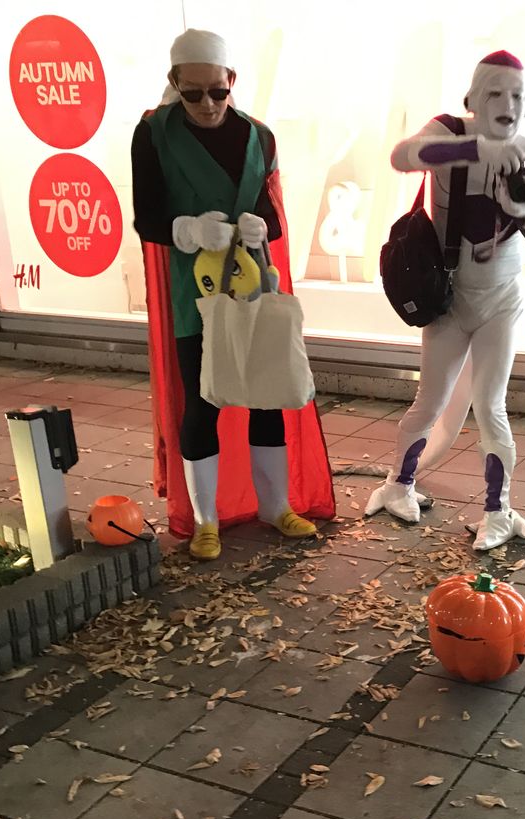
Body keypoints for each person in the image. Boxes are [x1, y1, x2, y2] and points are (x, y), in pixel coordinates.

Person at [132, 29, 334, 560]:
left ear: (231, 82)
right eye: (193, 93)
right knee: (202, 404)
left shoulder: (259, 136)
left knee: (268, 395)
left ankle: (275, 505)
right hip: (192, 294)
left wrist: (261, 226)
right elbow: (146, 216)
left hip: (255, 285)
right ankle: (206, 520)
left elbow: (273, 213)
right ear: (174, 83)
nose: (207, 104)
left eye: (217, 92)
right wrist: (188, 231)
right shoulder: (154, 134)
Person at [364, 51, 525, 551]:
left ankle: (499, 510)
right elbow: (402, 156)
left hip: (502, 300)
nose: (506, 104)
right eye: (494, 93)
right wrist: (475, 150)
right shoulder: (449, 133)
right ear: (472, 99)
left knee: (490, 405)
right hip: (451, 298)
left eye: (516, 95)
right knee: (429, 400)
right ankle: (398, 484)